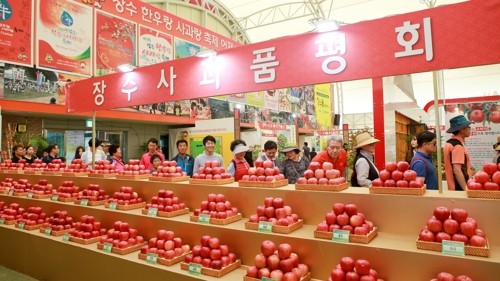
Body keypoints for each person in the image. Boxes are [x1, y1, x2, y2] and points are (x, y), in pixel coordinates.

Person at [444, 115, 472, 191]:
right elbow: (457, 170)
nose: (470, 129)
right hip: (459, 187)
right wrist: (465, 189)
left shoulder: (449, 142)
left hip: (453, 185)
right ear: (462, 130)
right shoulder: (457, 146)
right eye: (468, 127)